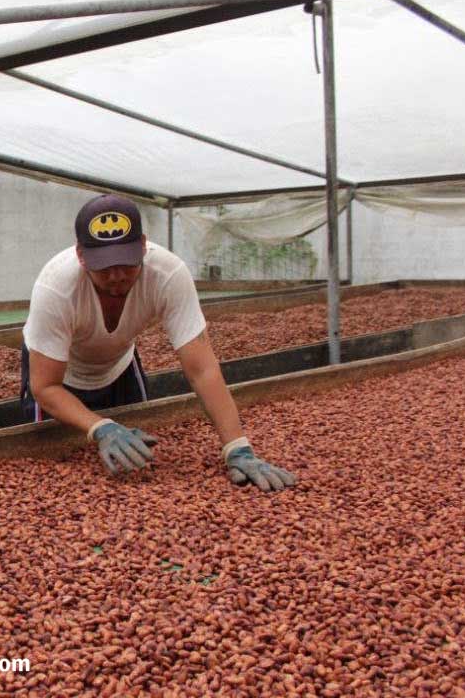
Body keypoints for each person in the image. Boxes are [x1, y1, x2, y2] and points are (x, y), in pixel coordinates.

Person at [21, 194, 297, 491]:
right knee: (46, 461)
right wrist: (99, 427)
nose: (116, 276)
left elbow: (202, 369)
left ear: (143, 246)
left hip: (118, 364)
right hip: (59, 376)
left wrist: (237, 447)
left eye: (126, 263)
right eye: (103, 266)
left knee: (137, 464)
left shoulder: (168, 275)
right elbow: (45, 386)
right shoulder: (56, 287)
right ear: (81, 256)